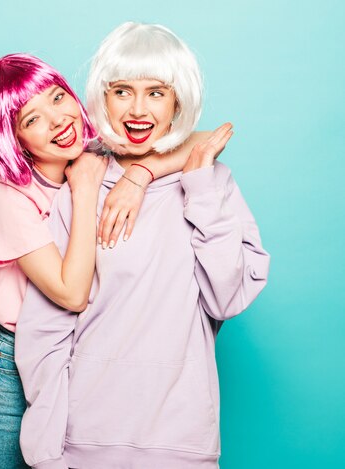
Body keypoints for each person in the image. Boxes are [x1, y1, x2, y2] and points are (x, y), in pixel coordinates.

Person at [15, 23, 271, 469]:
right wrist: (45, 454)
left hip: (182, 440)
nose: (137, 109)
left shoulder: (213, 183)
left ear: (177, 102)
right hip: (87, 438)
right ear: (102, 98)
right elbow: (46, 333)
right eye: (121, 91)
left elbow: (226, 299)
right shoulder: (81, 186)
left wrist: (192, 183)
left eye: (156, 92)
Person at [0, 53, 209, 468]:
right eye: (32, 119)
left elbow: (207, 139)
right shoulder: (7, 193)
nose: (57, 120)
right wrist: (86, 188)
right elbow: (72, 293)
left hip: (75, 356)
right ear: (13, 139)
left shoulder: (94, 149)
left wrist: (139, 174)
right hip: (10, 376)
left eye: (58, 98)